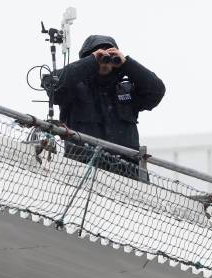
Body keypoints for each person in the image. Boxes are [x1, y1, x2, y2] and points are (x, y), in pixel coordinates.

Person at [45, 35, 165, 177]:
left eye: (109, 55)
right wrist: (91, 61)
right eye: (101, 56)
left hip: (126, 173)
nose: (105, 61)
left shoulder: (126, 89)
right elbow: (53, 84)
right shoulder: (74, 88)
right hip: (82, 170)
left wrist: (127, 64)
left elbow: (156, 90)